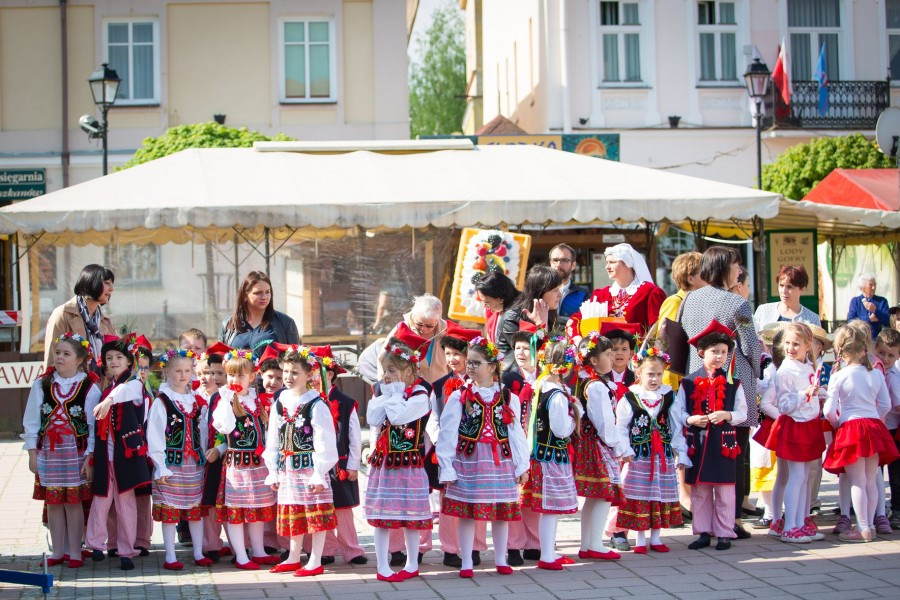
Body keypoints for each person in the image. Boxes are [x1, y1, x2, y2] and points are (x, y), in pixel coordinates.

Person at [680, 246, 760, 538]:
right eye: (737, 266)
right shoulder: (737, 304)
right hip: (731, 381)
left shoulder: (688, 299)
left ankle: (705, 521)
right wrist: (760, 370)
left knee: (703, 450)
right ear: (727, 268)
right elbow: (750, 345)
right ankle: (732, 520)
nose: (739, 272)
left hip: (697, 381)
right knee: (734, 449)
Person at [437, 336, 530, 578]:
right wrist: (447, 467)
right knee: (469, 512)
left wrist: (522, 465)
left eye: (476, 363)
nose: (470, 367)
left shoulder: (509, 397)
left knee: (500, 512)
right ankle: (466, 561)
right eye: (470, 363)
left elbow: (516, 433)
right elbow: (447, 432)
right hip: (470, 460)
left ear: (492, 366)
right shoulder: (460, 396)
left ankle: (500, 559)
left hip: (500, 461)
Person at [22, 333, 101, 568]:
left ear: (79, 359)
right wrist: (32, 453)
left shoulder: (89, 387)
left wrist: (90, 456)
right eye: (58, 353)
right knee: (54, 501)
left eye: (66, 354)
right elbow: (31, 421)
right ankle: (58, 550)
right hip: (50, 451)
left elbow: (92, 426)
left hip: (75, 453)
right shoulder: (42, 384)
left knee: (73, 502)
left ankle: (75, 551)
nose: (59, 357)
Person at [364, 324, 433, 582]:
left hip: (409, 464)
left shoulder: (420, 394)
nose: (387, 376)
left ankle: (412, 563)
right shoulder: (383, 392)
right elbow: (373, 417)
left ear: (409, 370)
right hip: (384, 464)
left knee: (410, 517)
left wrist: (391, 394)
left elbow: (398, 416)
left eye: (392, 370)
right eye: (384, 370)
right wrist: (386, 393)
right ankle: (382, 565)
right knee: (383, 516)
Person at [264, 347, 337, 577]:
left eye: (294, 372)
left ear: (309, 375)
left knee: (315, 514)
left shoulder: (316, 404)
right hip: (288, 469)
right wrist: (273, 470)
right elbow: (273, 440)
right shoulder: (280, 402)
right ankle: (294, 557)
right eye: (285, 371)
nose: (288, 377)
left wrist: (319, 472)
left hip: (310, 469)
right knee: (294, 512)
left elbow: (325, 442)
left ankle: (315, 560)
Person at [823, 325, 899, 542]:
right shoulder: (876, 373)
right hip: (874, 427)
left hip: (851, 427)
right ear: (864, 349)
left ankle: (863, 527)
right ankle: (871, 525)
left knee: (856, 480)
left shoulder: (839, 375)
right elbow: (885, 404)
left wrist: (838, 422)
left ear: (841, 350)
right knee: (870, 480)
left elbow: (828, 410)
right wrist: (873, 415)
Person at [676, 321, 748, 551]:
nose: (719, 356)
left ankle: (725, 532)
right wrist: (690, 420)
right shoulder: (688, 382)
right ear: (701, 353)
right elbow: (678, 412)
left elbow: (742, 412)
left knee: (725, 490)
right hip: (698, 442)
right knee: (701, 490)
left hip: (724, 443)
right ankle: (703, 531)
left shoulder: (733, 383)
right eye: (714, 351)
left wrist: (727, 414)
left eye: (723, 352)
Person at [424, 322, 488, 568]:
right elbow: (433, 417)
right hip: (449, 451)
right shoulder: (439, 386)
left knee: (477, 498)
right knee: (448, 499)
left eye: (457, 354)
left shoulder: (483, 384)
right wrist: (442, 440)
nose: (451, 359)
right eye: (447, 353)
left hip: (476, 449)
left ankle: (475, 547)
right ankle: (450, 548)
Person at [86, 336, 152, 571]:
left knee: (125, 502)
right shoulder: (108, 388)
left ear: (129, 362)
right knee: (101, 498)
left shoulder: (133, 385)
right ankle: (95, 543)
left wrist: (109, 401)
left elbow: (128, 390)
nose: (113, 361)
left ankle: (126, 550)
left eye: (119, 357)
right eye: (109, 357)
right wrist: (90, 456)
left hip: (126, 454)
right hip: (106, 453)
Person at [615, 348, 688, 554]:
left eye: (658, 374)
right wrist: (625, 449)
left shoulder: (668, 397)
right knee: (640, 494)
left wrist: (680, 452)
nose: (655, 379)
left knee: (659, 494)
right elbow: (621, 427)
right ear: (638, 373)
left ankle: (656, 537)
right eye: (650, 374)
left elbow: (675, 427)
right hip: (639, 456)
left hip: (661, 455)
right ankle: (639, 539)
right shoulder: (630, 397)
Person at [212, 349, 278, 570]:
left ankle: (258, 551)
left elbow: (267, 432)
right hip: (238, 465)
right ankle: (241, 555)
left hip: (258, 464)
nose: (234, 380)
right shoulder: (226, 401)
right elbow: (225, 427)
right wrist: (226, 400)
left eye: (240, 375)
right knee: (237, 511)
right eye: (231, 375)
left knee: (256, 508)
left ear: (252, 376)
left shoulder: (256, 401)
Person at [758, 323, 824, 543]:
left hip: (807, 424)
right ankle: (790, 526)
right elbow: (785, 405)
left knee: (803, 476)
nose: (791, 348)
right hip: (795, 426)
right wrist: (804, 394)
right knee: (794, 476)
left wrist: (817, 393)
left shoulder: (806, 367)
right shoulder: (786, 370)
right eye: (787, 343)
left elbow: (806, 396)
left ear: (808, 346)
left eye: (796, 343)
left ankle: (799, 522)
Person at [147, 349, 211, 570]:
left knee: (194, 511)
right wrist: (160, 467)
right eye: (177, 371)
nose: (183, 375)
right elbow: (154, 436)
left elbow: (202, 432)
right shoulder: (162, 401)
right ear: (166, 372)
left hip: (193, 464)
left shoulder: (195, 400)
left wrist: (203, 453)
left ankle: (198, 552)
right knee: (170, 512)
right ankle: (170, 556)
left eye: (187, 370)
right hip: (171, 464)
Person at [519, 338, 579, 571]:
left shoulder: (541, 387)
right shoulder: (555, 394)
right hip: (551, 457)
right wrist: (575, 417)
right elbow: (562, 429)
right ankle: (546, 554)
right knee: (549, 509)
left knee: (548, 510)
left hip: (542, 455)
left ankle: (549, 551)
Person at [572, 332, 631, 560]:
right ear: (594, 360)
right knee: (603, 495)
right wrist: (618, 446)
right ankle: (594, 544)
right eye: (607, 353)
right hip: (597, 446)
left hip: (591, 444)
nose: (613, 356)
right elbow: (605, 422)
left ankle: (588, 544)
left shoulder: (588, 382)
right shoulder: (596, 386)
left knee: (595, 497)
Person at [309, 345, 367, 565]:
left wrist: (353, 464)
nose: (311, 378)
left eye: (315, 373)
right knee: (321, 508)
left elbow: (353, 435)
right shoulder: (307, 401)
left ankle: (352, 549)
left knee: (342, 510)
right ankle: (326, 549)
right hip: (316, 464)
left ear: (329, 374)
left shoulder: (345, 402)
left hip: (340, 465)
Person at [569, 243, 666, 337]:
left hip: (637, 352)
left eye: (612, 262)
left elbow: (659, 329)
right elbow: (575, 320)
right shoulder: (601, 294)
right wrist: (578, 340)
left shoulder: (649, 292)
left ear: (627, 263)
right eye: (607, 262)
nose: (607, 267)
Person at [357, 294, 450, 385]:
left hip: (441, 388)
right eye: (419, 324)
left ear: (437, 320)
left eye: (429, 326)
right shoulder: (402, 329)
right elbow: (384, 357)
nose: (424, 329)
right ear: (414, 315)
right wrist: (383, 384)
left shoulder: (446, 330)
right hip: (413, 389)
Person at [196, 342, 232, 561]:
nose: (215, 377)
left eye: (221, 373)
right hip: (205, 459)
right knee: (208, 503)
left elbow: (235, 434)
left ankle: (240, 545)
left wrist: (219, 448)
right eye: (211, 372)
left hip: (227, 457)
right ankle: (211, 545)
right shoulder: (200, 398)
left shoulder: (231, 398)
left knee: (228, 502)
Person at [43, 264, 116, 372]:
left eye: (111, 284)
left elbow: (116, 352)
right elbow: (52, 358)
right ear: (92, 282)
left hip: (100, 385)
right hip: (71, 385)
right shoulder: (63, 314)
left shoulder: (105, 320)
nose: (111, 289)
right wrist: (51, 386)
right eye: (106, 283)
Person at [653, 251, 704, 392]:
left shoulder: (699, 302)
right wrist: (670, 387)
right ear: (690, 279)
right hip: (678, 383)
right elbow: (666, 344)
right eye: (704, 273)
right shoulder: (675, 301)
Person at [218, 271, 300, 358]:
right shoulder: (228, 324)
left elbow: (295, 360)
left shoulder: (285, 322)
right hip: (237, 372)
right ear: (245, 296)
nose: (264, 297)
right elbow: (220, 360)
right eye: (258, 293)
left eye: (267, 292)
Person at [874, 328, 900, 529]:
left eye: (891, 355)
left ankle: (896, 509)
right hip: (880, 428)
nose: (886, 358)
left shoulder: (892, 375)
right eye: (882, 353)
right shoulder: (876, 370)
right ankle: (877, 508)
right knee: (876, 471)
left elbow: (897, 405)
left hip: (891, 429)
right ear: (875, 349)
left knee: (895, 472)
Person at [474, 270, 522, 363]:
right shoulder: (493, 311)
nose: (485, 305)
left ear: (500, 298)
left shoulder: (517, 315)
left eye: (487, 302)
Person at [753, 265, 821, 330]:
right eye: (781, 285)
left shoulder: (812, 319)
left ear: (802, 290)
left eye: (789, 287)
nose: (784, 291)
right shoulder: (763, 311)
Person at [549, 243, 589, 321]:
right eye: (555, 260)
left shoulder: (583, 294)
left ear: (573, 265)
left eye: (564, 260)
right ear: (550, 263)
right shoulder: (541, 291)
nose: (558, 264)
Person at [847, 274, 891, 340]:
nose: (873, 287)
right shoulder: (855, 301)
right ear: (862, 287)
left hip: (877, 339)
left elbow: (888, 320)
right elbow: (851, 321)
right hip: (859, 339)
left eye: (875, 285)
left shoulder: (882, 301)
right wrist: (869, 319)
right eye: (870, 285)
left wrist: (875, 310)